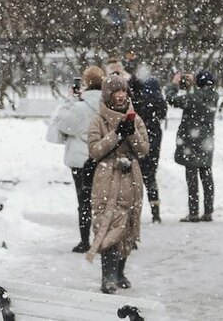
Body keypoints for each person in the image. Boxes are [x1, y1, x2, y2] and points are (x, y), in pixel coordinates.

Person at [87, 75, 150, 294]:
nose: (121, 95)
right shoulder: (98, 120)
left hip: (131, 178)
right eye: (116, 92)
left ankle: (120, 272)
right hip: (107, 178)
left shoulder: (135, 118)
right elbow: (94, 151)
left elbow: (143, 149)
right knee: (109, 224)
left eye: (123, 91)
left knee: (128, 227)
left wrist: (131, 132)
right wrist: (116, 134)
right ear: (108, 95)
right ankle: (108, 277)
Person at [106, 54, 167, 223]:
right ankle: (155, 211)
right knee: (150, 175)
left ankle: (131, 212)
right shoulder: (152, 86)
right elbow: (162, 110)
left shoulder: (127, 90)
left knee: (132, 175)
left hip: (135, 135)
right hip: (152, 135)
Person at [54, 66, 105, 253]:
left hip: (80, 159)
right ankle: (105, 238)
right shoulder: (108, 104)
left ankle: (85, 241)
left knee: (84, 201)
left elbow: (63, 125)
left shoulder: (79, 107)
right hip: (102, 156)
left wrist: (71, 100)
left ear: (85, 83)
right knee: (104, 200)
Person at [168, 70, 219, 223]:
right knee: (207, 176)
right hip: (206, 142)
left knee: (192, 178)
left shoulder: (193, 98)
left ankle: (193, 213)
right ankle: (208, 211)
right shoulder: (214, 96)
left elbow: (171, 99)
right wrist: (194, 84)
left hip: (191, 142)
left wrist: (174, 84)